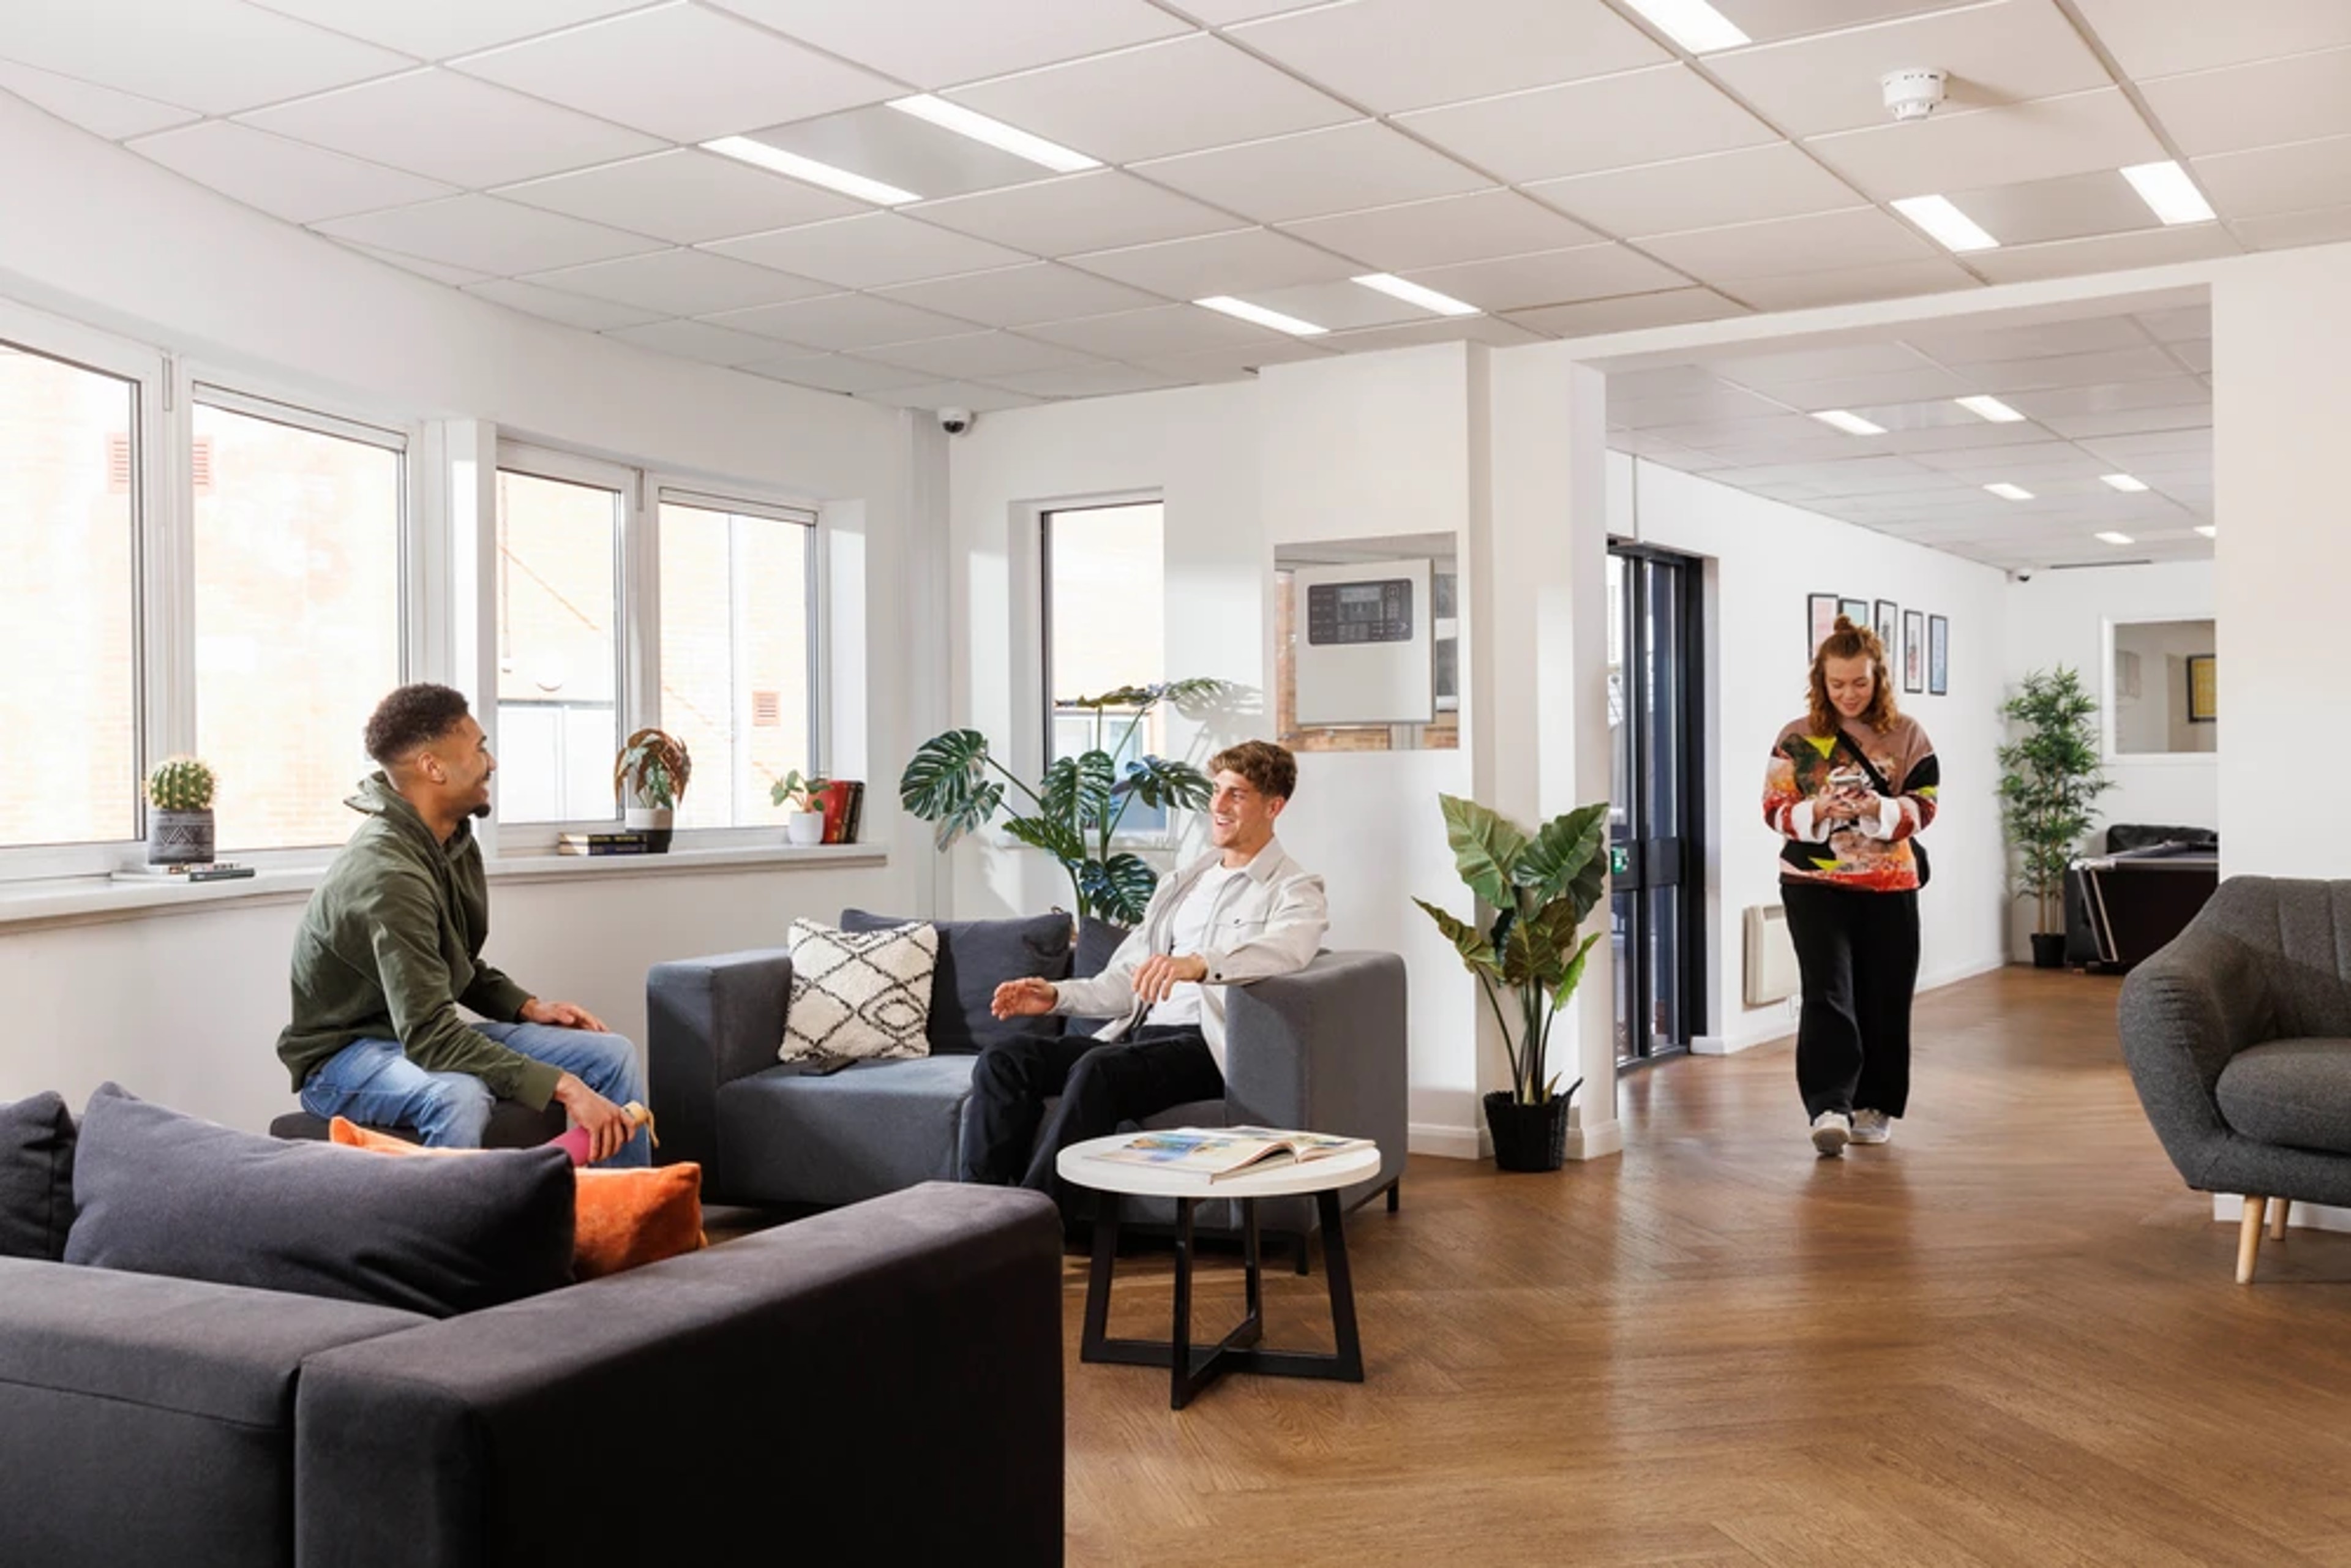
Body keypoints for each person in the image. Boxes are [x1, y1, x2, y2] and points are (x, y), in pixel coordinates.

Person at [276, 683, 649, 1166]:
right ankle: (453, 1237)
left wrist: (526, 1006)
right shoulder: (388, 874)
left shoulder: (449, 840)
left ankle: (633, 1225)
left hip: (411, 1033)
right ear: (434, 767)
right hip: (346, 1057)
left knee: (610, 1053)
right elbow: (432, 1034)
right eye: (478, 748)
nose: (490, 763)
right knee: (460, 1094)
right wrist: (563, 1085)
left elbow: (453, 964)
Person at [964, 739, 1329, 1220]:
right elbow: (1128, 977)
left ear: (1273, 806)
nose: (1217, 806)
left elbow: (1288, 948)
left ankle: (1037, 1224)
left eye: (1236, 795)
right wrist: (1056, 995)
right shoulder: (1182, 884)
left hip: (1204, 1047)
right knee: (1006, 1059)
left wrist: (1199, 963)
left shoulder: (1294, 888)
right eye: (1216, 790)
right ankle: (974, 1215)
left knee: (1099, 1070)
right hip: (1140, 1036)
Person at [1763, 617, 1940, 1158]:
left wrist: (1878, 810)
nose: (1848, 694)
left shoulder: (1908, 733)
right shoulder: (1796, 736)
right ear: (1821, 681)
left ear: (1878, 678)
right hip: (1813, 883)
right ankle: (1828, 1105)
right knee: (1828, 992)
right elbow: (1773, 810)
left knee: (1885, 995)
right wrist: (1819, 808)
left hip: (1891, 884)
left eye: (1859, 683)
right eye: (1837, 684)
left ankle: (1874, 1104)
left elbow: (1926, 804)